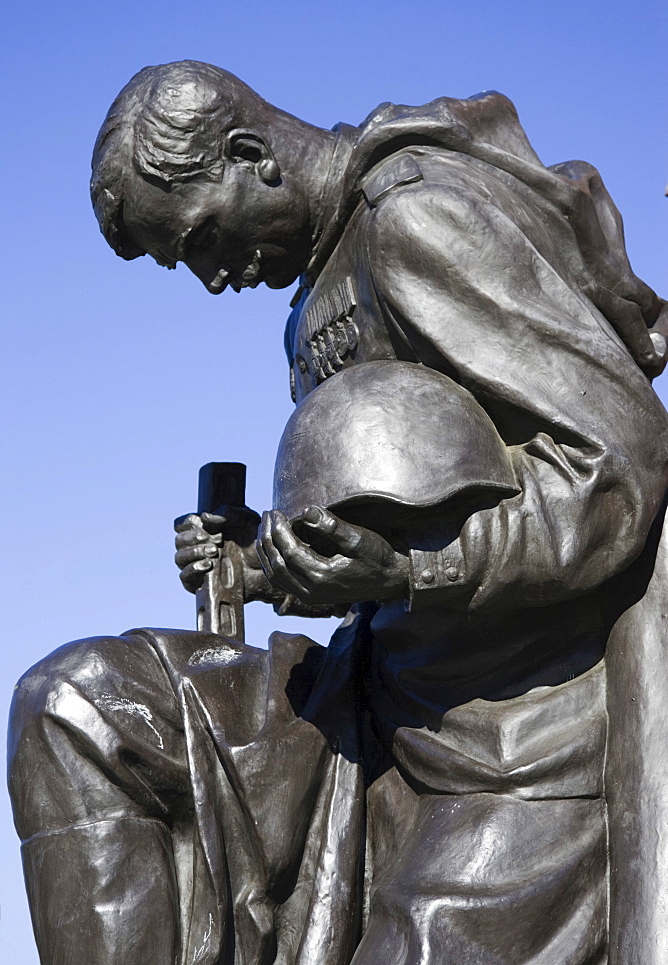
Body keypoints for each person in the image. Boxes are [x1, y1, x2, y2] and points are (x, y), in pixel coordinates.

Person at [8, 60, 668, 965]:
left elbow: (619, 465)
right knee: (75, 706)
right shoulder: (314, 294)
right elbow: (398, 516)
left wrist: (418, 573)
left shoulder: (418, 219)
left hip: (517, 744)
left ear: (250, 157)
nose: (208, 279)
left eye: (197, 239)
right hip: (374, 698)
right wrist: (264, 563)